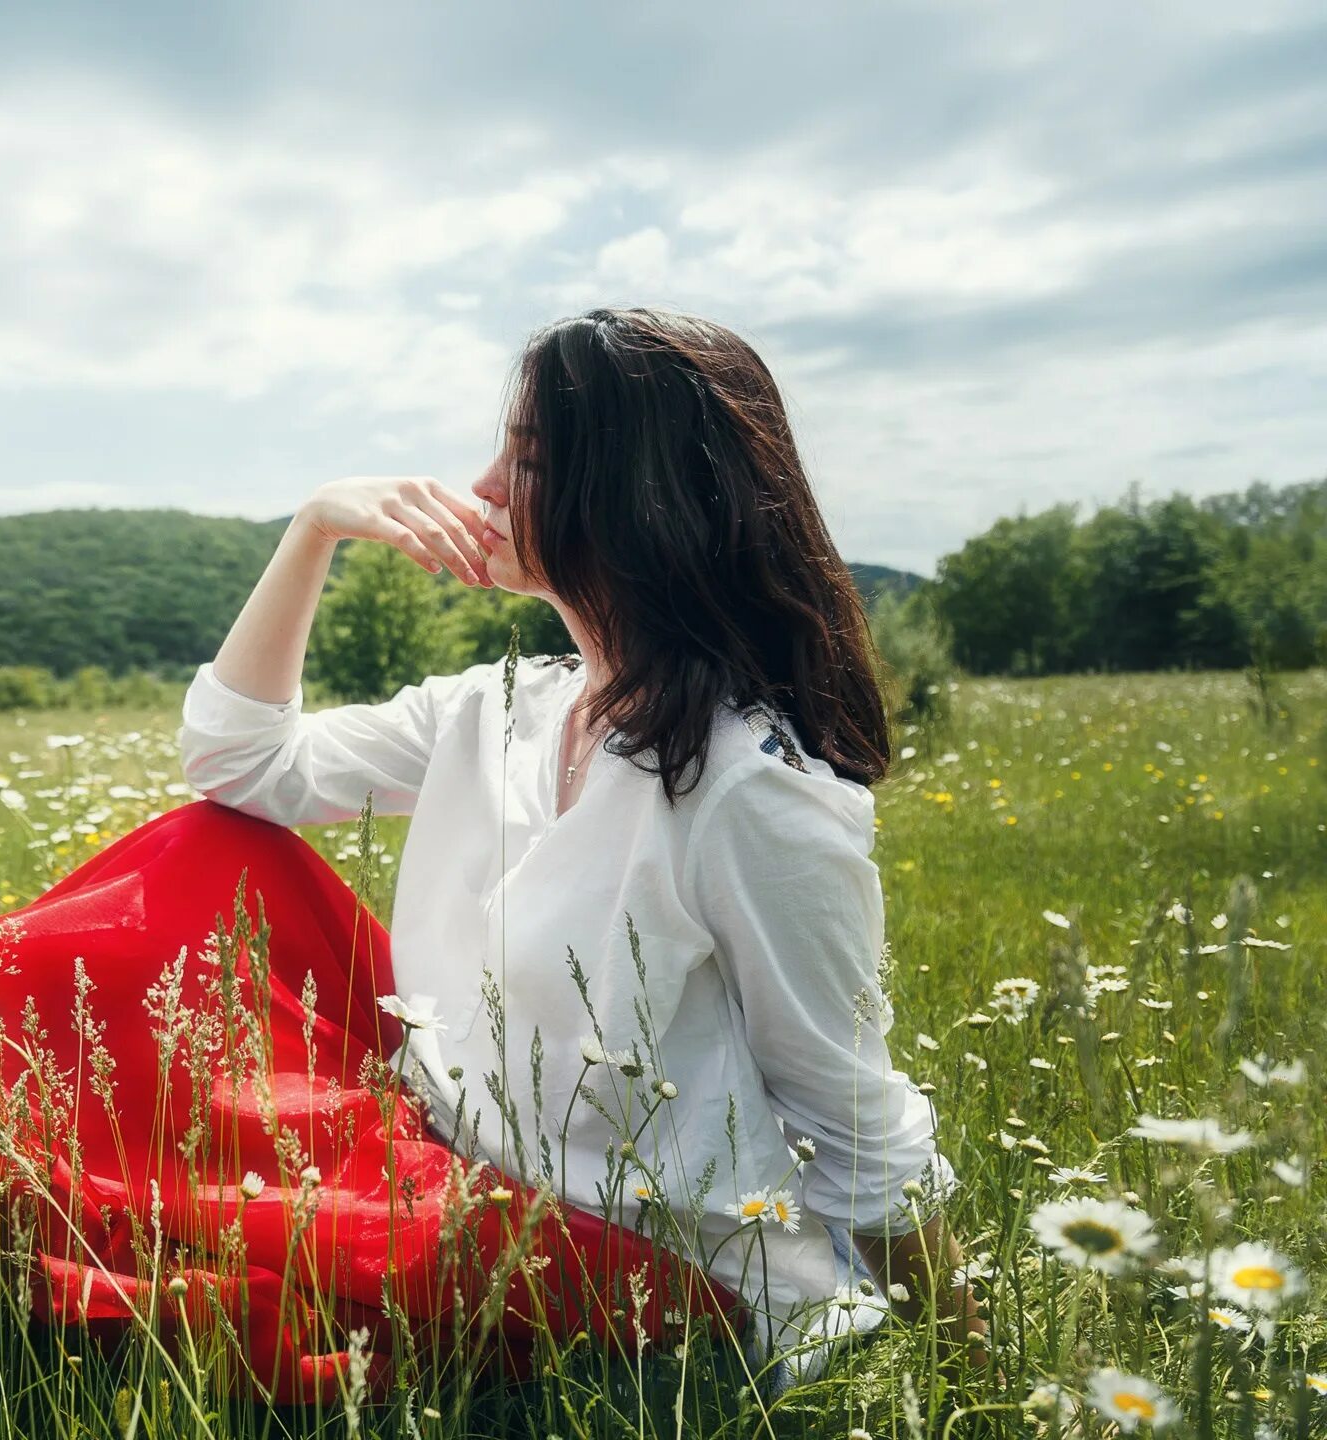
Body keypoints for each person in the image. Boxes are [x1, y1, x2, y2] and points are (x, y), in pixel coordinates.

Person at [174, 305, 981, 1386]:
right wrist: (313, 526)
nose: (483, 488)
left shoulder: (748, 790)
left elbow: (845, 1110)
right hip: (470, 1205)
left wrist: (978, 1369)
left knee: (219, 1318)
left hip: (663, 1278)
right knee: (192, 855)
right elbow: (236, 766)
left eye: (531, 458)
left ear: (635, 496)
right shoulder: (498, 712)